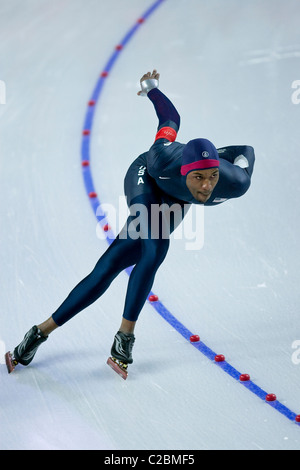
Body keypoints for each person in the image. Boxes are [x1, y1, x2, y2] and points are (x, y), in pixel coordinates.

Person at [5, 70, 255, 377]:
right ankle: (124, 338)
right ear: (185, 171)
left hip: (176, 196)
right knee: (155, 246)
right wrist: (152, 89)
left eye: (212, 177)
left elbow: (247, 152)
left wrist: (223, 159)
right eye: (199, 178)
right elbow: (170, 119)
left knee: (110, 265)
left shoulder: (233, 182)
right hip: (145, 180)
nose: (206, 187)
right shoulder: (161, 157)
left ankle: (37, 334)